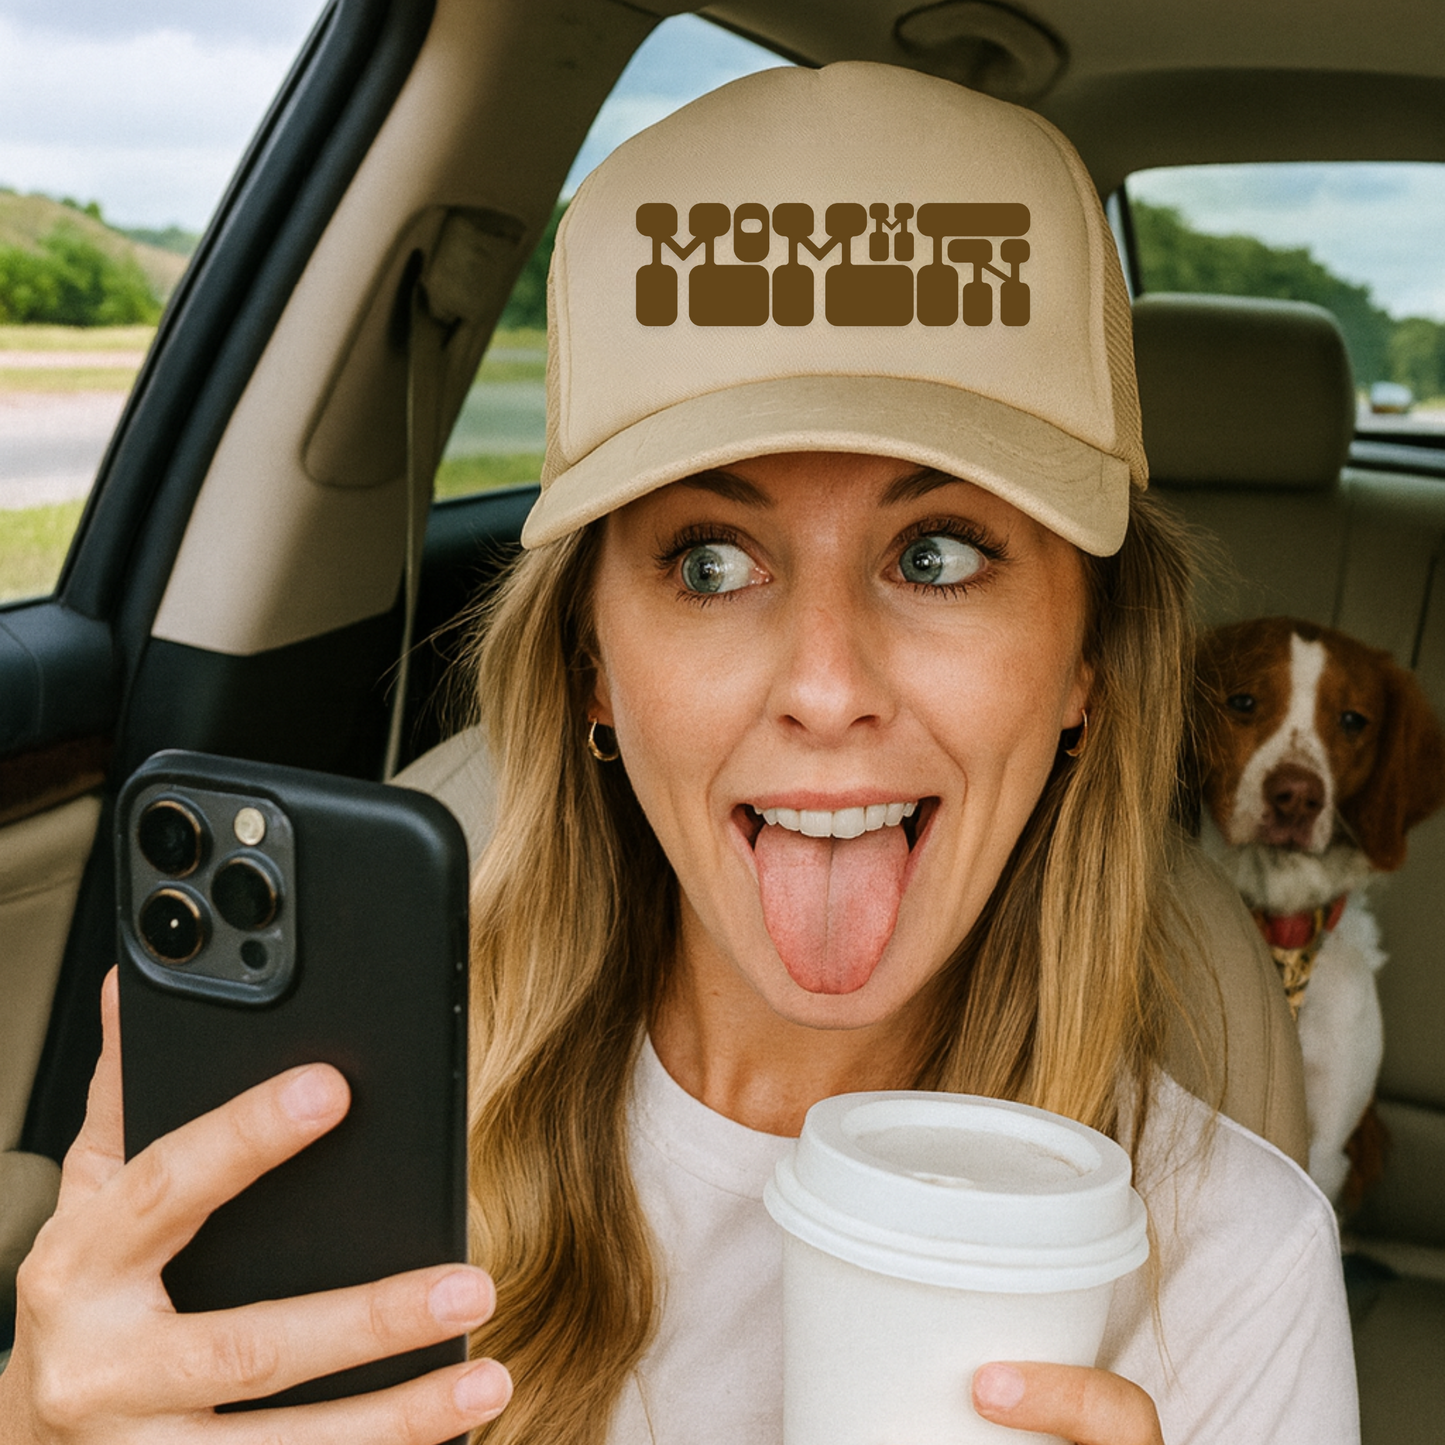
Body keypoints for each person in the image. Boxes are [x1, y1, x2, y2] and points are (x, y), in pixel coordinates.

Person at [0, 61, 1355, 1445]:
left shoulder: (1238, 1272)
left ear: (1089, 663)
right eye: (711, 562)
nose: (827, 689)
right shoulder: (332, 1140)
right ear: (593, 659)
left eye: (936, 555)